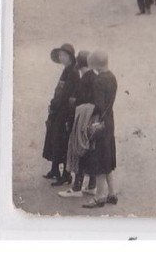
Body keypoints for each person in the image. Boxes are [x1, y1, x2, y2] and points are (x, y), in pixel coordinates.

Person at [81, 50, 119, 208]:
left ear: (95, 65)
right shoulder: (112, 77)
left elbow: (98, 106)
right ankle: (112, 193)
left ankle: (99, 197)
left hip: (99, 123)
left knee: (99, 161)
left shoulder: (98, 81)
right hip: (109, 121)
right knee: (107, 158)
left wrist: (87, 113)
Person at [59, 50, 97, 199]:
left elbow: (78, 101)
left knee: (79, 150)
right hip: (94, 119)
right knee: (91, 150)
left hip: (83, 120)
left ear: (79, 64)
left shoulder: (84, 80)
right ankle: (92, 185)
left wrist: (72, 104)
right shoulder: (95, 77)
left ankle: (77, 188)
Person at [42, 43, 80, 186]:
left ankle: (66, 175)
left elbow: (67, 95)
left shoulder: (73, 72)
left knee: (62, 142)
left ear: (70, 57)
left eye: (63, 55)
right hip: (58, 110)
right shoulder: (66, 70)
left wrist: (55, 106)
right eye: (59, 55)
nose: (61, 57)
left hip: (65, 112)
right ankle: (55, 170)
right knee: (54, 138)